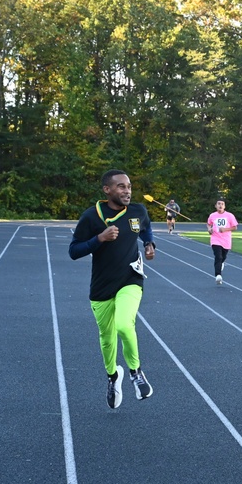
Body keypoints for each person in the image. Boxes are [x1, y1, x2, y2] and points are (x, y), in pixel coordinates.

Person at [69, 169, 155, 409]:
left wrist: (149, 244)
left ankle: (136, 373)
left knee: (125, 325)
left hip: (130, 279)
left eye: (128, 186)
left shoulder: (138, 211)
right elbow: (74, 251)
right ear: (107, 190)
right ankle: (112, 377)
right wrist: (99, 239)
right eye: (120, 187)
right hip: (101, 286)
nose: (127, 190)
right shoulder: (92, 217)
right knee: (107, 340)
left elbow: (145, 228)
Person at [207, 199, 238, 285]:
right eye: (219, 204)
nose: (220, 205)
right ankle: (218, 275)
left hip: (226, 240)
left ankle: (221, 263)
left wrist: (225, 229)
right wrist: (209, 229)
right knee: (218, 257)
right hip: (215, 239)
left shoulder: (229, 216)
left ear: (224, 206)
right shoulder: (212, 215)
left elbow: (235, 227)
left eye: (222, 204)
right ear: (216, 206)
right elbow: (209, 223)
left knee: (223, 257)